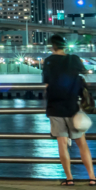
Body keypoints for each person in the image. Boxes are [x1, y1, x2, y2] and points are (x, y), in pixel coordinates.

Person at [43, 34, 96, 185]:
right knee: (82, 144)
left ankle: (69, 179)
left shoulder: (48, 61)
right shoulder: (74, 59)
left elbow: (47, 85)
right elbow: (84, 74)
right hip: (73, 107)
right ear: (65, 45)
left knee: (62, 145)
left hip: (55, 107)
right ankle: (92, 177)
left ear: (52, 46)